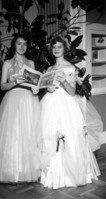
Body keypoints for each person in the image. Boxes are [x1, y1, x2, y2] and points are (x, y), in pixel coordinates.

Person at [38, 36, 100, 189]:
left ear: (64, 49)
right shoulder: (49, 69)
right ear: (51, 50)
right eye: (54, 47)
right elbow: (48, 87)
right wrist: (49, 88)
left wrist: (64, 81)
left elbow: (72, 92)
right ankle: (53, 174)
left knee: (69, 138)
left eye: (59, 47)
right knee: (50, 137)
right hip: (50, 104)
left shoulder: (70, 68)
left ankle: (72, 173)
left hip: (66, 105)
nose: (56, 50)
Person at [0, 35, 40, 183]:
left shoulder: (31, 63)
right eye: (19, 44)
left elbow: (34, 84)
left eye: (25, 44)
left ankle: (28, 169)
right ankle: (11, 170)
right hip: (12, 99)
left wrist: (36, 88)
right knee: (12, 134)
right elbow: (2, 86)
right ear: (14, 45)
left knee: (29, 133)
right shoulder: (7, 63)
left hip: (28, 100)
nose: (22, 47)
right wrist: (15, 82)